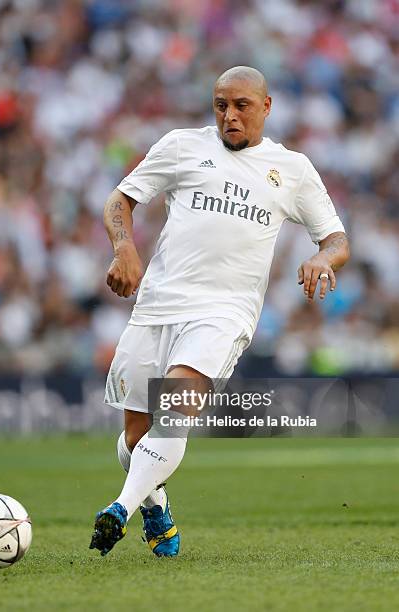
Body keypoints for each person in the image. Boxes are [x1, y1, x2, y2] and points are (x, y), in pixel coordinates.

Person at [89, 66, 350, 557]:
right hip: (157, 306)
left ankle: (119, 509)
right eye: (220, 105)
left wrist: (321, 257)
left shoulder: (291, 168)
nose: (229, 116)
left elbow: (336, 238)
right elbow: (120, 199)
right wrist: (124, 248)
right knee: (134, 440)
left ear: (266, 107)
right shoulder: (182, 146)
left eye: (242, 106)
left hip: (224, 313)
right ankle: (155, 507)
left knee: (174, 414)